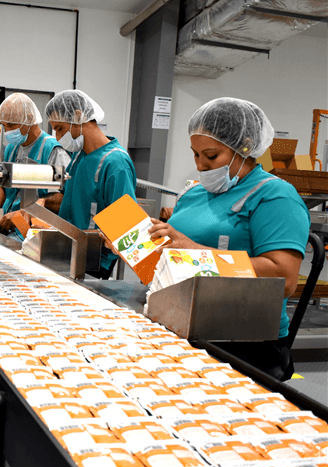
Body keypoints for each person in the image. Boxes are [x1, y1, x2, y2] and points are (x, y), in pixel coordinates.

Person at [147, 97, 310, 381]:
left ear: (244, 147)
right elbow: (171, 258)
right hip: (179, 321)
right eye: (195, 155)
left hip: (243, 340)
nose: (201, 165)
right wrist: (137, 245)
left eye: (211, 156)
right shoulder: (194, 194)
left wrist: (198, 253)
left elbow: (284, 278)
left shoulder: (274, 196)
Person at [44, 90, 137, 279]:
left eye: (60, 129)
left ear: (78, 117)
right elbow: (70, 197)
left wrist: (87, 237)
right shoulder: (80, 156)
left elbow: (125, 225)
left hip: (94, 260)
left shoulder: (116, 163)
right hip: (69, 249)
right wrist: (40, 207)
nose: (58, 137)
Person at [0, 93, 71, 239]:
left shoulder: (53, 150)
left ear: (29, 119)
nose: (7, 131)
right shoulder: (11, 148)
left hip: (32, 234)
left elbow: (63, 199)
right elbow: (1, 186)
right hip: (7, 230)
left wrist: (24, 212)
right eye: (4, 126)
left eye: (11, 125)